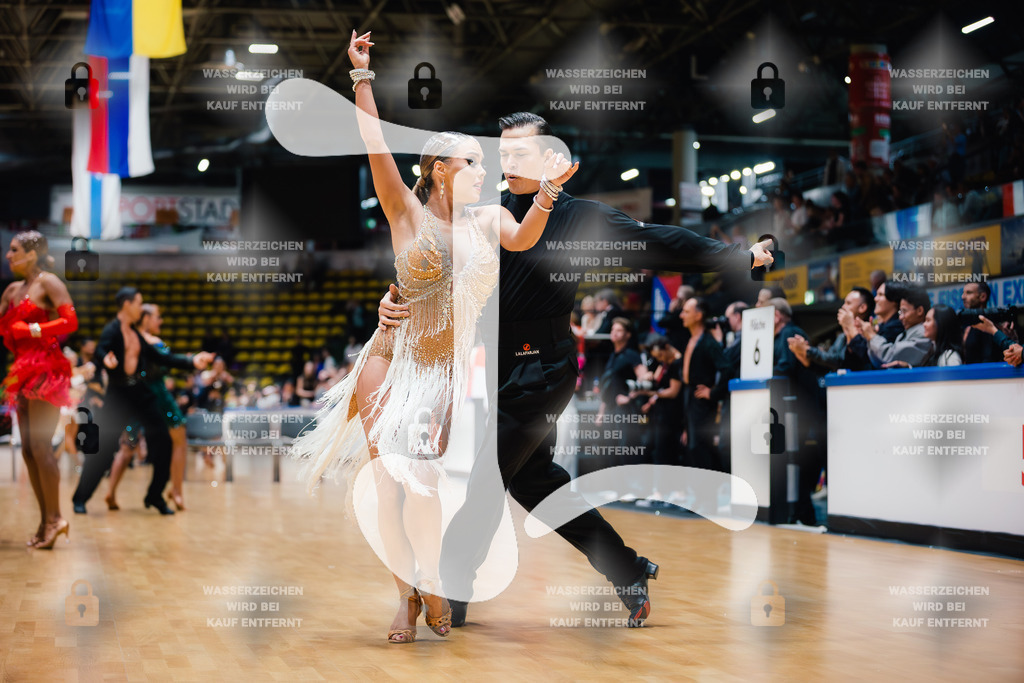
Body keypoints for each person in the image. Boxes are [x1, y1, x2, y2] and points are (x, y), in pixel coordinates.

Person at [378, 112, 775, 628]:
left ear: (553, 162)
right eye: (504, 155)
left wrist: (739, 257)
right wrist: (394, 303)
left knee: (484, 481)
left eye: (521, 155)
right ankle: (628, 569)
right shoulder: (488, 215)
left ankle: (450, 591)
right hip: (497, 371)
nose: (508, 164)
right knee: (536, 484)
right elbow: (432, 272)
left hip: (543, 371)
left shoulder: (584, 218)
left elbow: (661, 241)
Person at [289, 30, 576, 645]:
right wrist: (361, 77)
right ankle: (404, 598)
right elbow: (374, 143)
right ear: (440, 169)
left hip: (443, 373)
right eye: (472, 161)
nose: (483, 169)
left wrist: (549, 190)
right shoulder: (405, 213)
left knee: (421, 485)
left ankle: (433, 583)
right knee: (387, 489)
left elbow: (525, 239)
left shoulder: (492, 220)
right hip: (389, 358)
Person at [71, 288, 213, 515]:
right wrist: (105, 359)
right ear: (126, 304)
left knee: (164, 442)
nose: (141, 308)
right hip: (118, 395)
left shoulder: (136, 335)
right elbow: (100, 350)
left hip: (139, 391)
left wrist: (192, 361)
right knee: (104, 449)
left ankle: (154, 496)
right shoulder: (113, 329)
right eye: (138, 303)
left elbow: (162, 357)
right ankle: (80, 498)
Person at [0, 232, 77, 549]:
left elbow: (70, 321)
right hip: (21, 371)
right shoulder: (13, 289)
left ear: (32, 254)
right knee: (29, 449)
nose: (8, 255)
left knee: (42, 447)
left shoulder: (50, 283)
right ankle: (46, 519)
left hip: (46, 369)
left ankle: (56, 517)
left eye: (14, 250)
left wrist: (33, 328)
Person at [104, 304, 191, 511]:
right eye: (157, 317)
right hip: (158, 397)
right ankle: (176, 491)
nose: (160, 321)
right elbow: (164, 365)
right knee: (179, 438)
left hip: (136, 397)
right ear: (145, 318)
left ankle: (110, 492)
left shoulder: (127, 340)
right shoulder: (153, 343)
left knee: (128, 446)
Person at [859, 285, 932, 368]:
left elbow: (890, 356)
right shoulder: (903, 334)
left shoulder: (924, 333)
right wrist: (870, 337)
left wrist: (873, 336)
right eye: (900, 312)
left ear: (919, 311)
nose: (900, 317)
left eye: (904, 311)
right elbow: (880, 362)